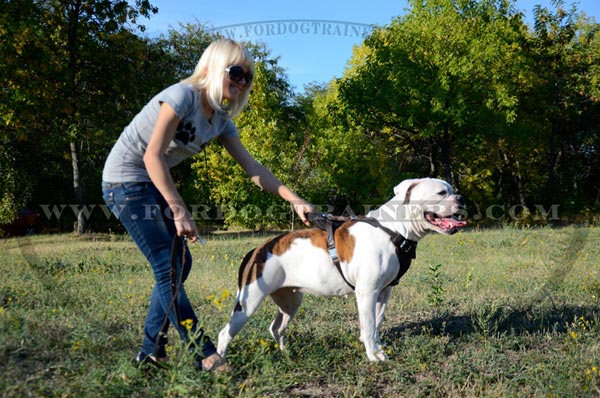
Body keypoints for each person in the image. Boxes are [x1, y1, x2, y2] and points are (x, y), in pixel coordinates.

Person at [101, 38, 313, 372]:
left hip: (151, 181)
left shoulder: (221, 119)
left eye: (248, 78)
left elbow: (253, 169)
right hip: (124, 182)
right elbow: (151, 156)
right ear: (215, 67)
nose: (241, 82)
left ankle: (150, 350)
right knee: (168, 267)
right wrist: (179, 208)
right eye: (236, 72)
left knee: (177, 266)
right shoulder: (181, 97)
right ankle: (204, 353)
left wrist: (294, 198)